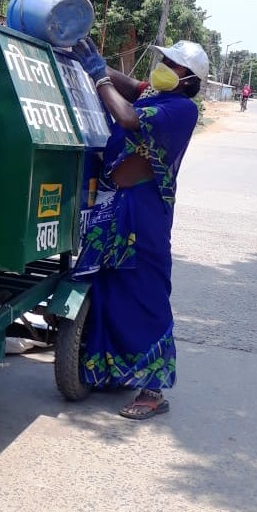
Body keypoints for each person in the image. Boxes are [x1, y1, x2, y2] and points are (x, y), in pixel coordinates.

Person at [71, 37, 209, 420]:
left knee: (145, 294)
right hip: (117, 203)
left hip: (144, 210)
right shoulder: (157, 95)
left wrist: (99, 78)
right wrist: (92, 60)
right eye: (163, 58)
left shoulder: (181, 109)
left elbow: (128, 117)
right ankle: (114, 373)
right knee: (110, 290)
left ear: (188, 79)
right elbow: (131, 88)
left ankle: (153, 391)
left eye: (172, 63)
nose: (162, 65)